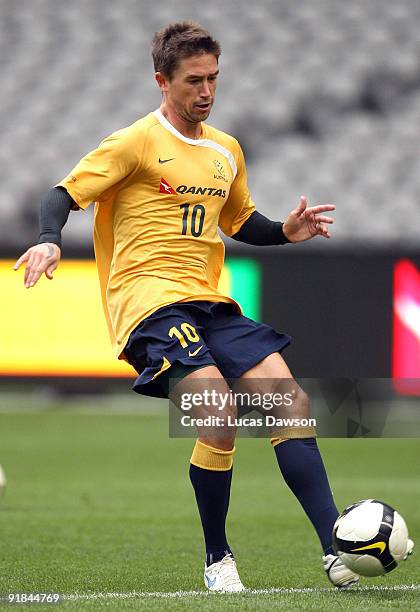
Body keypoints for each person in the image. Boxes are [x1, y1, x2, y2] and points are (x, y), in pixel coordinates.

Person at [14, 21, 357, 592]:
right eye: (193, 80)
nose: (206, 91)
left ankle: (336, 549)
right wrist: (50, 236)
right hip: (147, 302)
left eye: (214, 79)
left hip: (210, 303)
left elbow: (240, 221)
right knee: (217, 410)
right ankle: (218, 559)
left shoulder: (226, 150)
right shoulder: (135, 142)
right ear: (162, 81)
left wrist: (286, 230)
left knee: (288, 398)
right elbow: (62, 194)